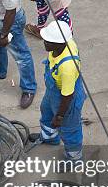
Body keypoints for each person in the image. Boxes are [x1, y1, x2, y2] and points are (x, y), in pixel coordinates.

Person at [30, 20, 86, 162]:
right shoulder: (62, 45)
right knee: (46, 110)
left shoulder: (67, 67)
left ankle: (74, 158)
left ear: (60, 44)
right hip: (54, 90)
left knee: (69, 128)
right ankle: (50, 137)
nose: (44, 42)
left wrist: (60, 116)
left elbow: (67, 96)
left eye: (48, 41)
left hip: (66, 99)